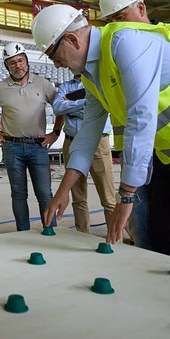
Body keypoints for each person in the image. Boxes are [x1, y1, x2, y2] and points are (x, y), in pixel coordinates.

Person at [33, 4, 170, 275]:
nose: (57, 64)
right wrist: (63, 189)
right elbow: (89, 133)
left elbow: (141, 119)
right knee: (164, 227)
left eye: (54, 56)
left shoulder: (126, 43)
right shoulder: (93, 75)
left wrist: (126, 196)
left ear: (71, 39)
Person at [99, 0, 170, 249]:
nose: (116, 26)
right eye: (110, 21)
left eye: (121, 17)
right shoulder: (116, 50)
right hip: (143, 151)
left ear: (141, 7)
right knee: (146, 226)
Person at [0, 42, 63, 231]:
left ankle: (50, 230)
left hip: (38, 147)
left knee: (45, 193)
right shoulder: (0, 89)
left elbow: (60, 107)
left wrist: (55, 133)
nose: (17, 65)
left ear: (26, 61)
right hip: (12, 147)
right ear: (7, 66)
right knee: (18, 194)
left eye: (20, 61)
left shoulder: (42, 83)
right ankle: (23, 232)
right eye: (12, 63)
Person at [52, 74, 116, 234]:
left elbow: (103, 104)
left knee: (108, 197)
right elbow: (58, 107)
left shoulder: (99, 82)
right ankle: (82, 234)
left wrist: (72, 104)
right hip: (71, 141)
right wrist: (87, 104)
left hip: (98, 142)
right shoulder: (65, 86)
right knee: (78, 195)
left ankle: (116, 239)